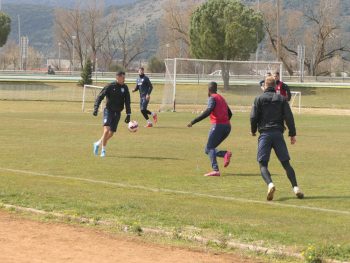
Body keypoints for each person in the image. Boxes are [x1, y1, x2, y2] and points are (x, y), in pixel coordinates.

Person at [250, 76, 304, 201]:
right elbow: (289, 117)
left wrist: (253, 131)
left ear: (264, 86)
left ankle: (270, 184)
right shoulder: (281, 99)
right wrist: (292, 134)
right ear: (275, 86)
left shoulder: (258, 99)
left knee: (263, 164)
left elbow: (253, 117)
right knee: (286, 163)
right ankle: (296, 188)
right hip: (278, 134)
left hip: (265, 134)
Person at [187, 82, 232, 177]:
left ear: (208, 90)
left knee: (209, 148)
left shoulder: (212, 98)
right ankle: (225, 154)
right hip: (227, 127)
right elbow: (230, 113)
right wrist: (224, 121)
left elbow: (208, 111)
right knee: (208, 149)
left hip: (218, 126)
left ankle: (215, 170)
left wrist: (193, 121)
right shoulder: (221, 98)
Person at [92, 71, 131, 157]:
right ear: (118, 77)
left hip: (118, 112)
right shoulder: (110, 86)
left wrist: (128, 114)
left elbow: (127, 101)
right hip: (108, 111)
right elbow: (100, 96)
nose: (124, 79)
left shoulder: (125, 88)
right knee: (106, 131)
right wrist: (96, 108)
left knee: (111, 133)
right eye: (123, 78)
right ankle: (103, 150)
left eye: (124, 78)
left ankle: (97, 143)